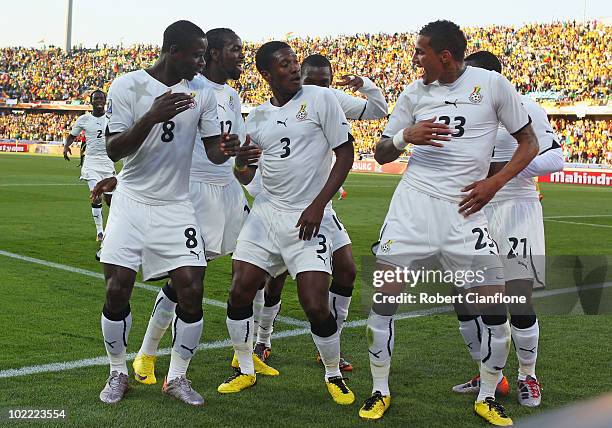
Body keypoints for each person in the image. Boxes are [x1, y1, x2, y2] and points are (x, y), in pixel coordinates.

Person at [359, 21, 538, 425]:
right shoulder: (412, 93)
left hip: (466, 212)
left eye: (421, 51)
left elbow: (529, 143)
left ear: (444, 56)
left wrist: (494, 183)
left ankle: (488, 395)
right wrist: (407, 135)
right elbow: (382, 151)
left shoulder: (491, 85)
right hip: (413, 208)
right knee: (383, 303)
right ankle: (379, 390)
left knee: (496, 311)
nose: (415, 58)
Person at [97, 20, 239, 406]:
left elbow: (212, 150)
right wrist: (151, 116)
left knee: (192, 288)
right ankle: (117, 371)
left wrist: (229, 149)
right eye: (196, 54)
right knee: (116, 290)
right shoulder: (128, 86)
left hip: (176, 204)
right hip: (132, 200)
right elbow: (113, 150)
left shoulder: (202, 93)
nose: (202, 61)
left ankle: (177, 378)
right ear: (172, 51)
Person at [128, 27, 275, 385]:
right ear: (213, 54)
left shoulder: (233, 96)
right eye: (235, 50)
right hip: (194, 194)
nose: (242, 55)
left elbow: (235, 156)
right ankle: (147, 356)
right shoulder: (189, 92)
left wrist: (245, 158)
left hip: (227, 193)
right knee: (186, 284)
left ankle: (247, 358)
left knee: (259, 271)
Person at [220, 41, 356, 406]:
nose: (294, 68)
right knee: (239, 290)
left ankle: (333, 373)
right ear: (267, 74)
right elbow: (245, 175)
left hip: (308, 217)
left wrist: (318, 205)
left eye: (294, 61)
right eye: (284, 64)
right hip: (266, 215)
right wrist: (243, 162)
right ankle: (246, 369)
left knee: (314, 304)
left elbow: (346, 153)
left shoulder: (321, 100)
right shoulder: (257, 118)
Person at [249, 53, 388, 372]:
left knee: (348, 270)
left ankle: (331, 344)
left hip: (319, 205)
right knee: (277, 278)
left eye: (325, 82)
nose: (319, 88)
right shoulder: (278, 110)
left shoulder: (332, 99)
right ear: (300, 77)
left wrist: (364, 85)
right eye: (312, 82)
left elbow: (378, 110)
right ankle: (263, 339)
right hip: (283, 207)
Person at [451, 50, 564, 408]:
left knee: (518, 298)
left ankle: (527, 376)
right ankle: (491, 375)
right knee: (469, 300)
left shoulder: (526, 107)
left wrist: (501, 171)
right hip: (473, 212)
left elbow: (555, 158)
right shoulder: (464, 114)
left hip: (517, 210)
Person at [63, 90, 114, 242]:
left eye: (101, 98)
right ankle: (100, 232)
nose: (99, 101)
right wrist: (66, 147)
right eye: (96, 98)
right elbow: (72, 135)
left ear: (105, 101)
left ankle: (113, 230)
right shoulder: (84, 119)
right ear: (91, 102)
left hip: (107, 161)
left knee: (110, 200)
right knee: (96, 195)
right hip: (91, 162)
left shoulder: (112, 118)